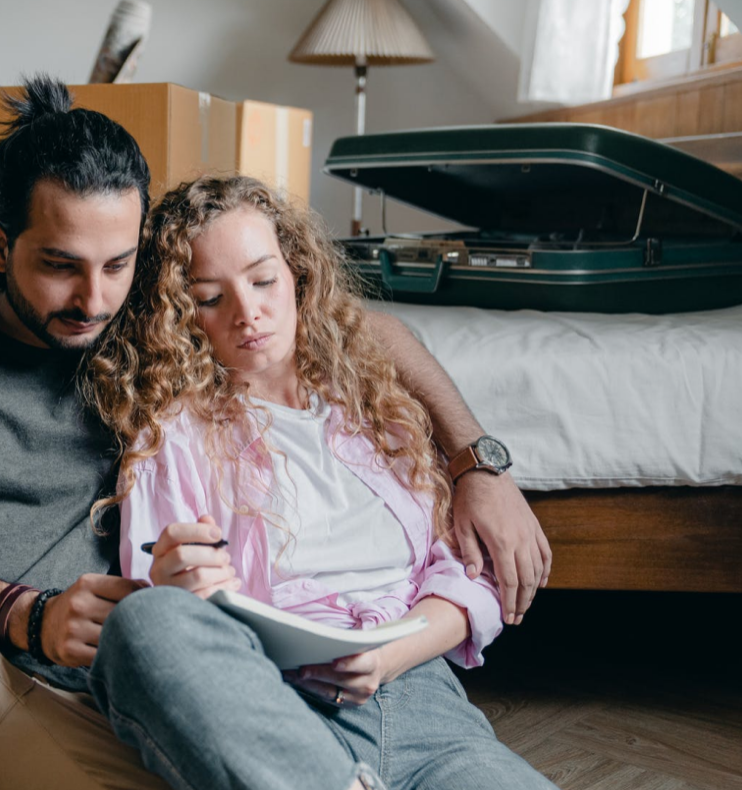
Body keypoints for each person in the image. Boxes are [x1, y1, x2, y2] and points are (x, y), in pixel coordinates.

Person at [0, 76, 551, 789]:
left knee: (162, 645)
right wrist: (22, 611)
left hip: (93, 713)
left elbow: (350, 327)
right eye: (59, 264)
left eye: (118, 264)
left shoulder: (148, 338)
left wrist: (479, 460)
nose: (91, 298)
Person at [83, 175, 555, 790]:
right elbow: (162, 599)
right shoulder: (171, 434)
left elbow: (469, 573)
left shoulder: (377, 399)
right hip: (274, 702)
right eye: (208, 297)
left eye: (263, 280)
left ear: (298, 274)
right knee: (145, 630)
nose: (247, 313)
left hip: (421, 700)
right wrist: (176, 582)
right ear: (178, 312)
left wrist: (385, 657)